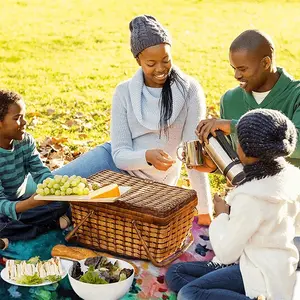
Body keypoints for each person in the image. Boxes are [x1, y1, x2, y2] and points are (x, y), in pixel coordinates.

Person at [52, 15, 213, 225]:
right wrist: (146, 156)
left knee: (80, 212)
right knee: (49, 189)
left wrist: (204, 210)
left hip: (149, 185)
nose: (160, 69)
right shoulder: (125, 92)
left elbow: (193, 156)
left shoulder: (190, 90)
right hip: (113, 163)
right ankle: (13, 213)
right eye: (151, 63)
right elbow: (119, 155)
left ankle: (65, 217)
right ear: (138, 60)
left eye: (166, 60)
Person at [166, 108, 300, 300]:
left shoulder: (251, 197)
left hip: (259, 274)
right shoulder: (292, 177)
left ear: (244, 150)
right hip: (275, 267)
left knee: (189, 293)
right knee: (176, 273)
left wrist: (222, 215)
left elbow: (226, 252)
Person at [195, 29, 300, 170]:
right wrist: (214, 166)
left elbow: (297, 144)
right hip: (249, 189)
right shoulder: (230, 100)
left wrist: (235, 127)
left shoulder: (296, 95)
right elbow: (237, 160)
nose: (236, 75)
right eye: (234, 68)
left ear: (265, 63)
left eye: (243, 69)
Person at [0, 90, 70, 242]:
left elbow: (40, 172)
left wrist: (54, 189)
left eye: (24, 116)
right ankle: (49, 226)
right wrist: (29, 204)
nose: (24, 122)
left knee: (63, 203)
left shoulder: (25, 141)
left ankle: (13, 234)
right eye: (17, 118)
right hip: (5, 209)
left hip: (22, 203)